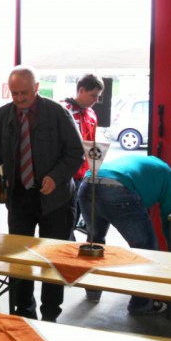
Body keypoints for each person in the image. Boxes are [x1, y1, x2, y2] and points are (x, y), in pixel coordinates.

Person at [0, 65, 84, 322]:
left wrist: (56, 176)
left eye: (24, 93)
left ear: (36, 88)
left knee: (53, 259)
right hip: (19, 198)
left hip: (56, 199)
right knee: (20, 259)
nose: (19, 99)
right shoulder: (2, 116)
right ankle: (24, 312)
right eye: (15, 94)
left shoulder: (58, 114)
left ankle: (51, 314)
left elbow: (76, 153)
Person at [78, 154, 171, 314]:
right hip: (118, 189)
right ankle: (141, 304)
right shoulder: (167, 173)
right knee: (145, 249)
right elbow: (169, 216)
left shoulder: (141, 164)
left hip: (87, 183)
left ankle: (92, 292)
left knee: (94, 242)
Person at [64, 74, 104, 239]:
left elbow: (92, 144)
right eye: (93, 95)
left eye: (98, 96)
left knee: (77, 216)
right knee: (66, 220)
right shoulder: (63, 110)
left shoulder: (92, 114)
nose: (96, 100)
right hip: (66, 175)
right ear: (81, 90)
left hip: (85, 175)